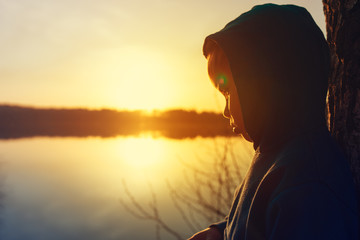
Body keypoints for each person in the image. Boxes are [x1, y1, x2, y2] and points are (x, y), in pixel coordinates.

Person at [188, 4, 359, 240]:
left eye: (227, 91)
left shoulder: (308, 187)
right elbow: (253, 220)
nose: (226, 111)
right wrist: (220, 232)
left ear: (266, 84)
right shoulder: (273, 154)